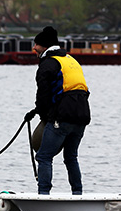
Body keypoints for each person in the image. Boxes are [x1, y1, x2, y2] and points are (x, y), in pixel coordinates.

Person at [24, 26, 91, 195]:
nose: (34, 48)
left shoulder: (47, 63)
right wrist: (37, 111)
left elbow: (44, 95)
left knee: (43, 156)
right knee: (71, 157)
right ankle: (78, 194)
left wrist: (44, 116)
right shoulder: (70, 60)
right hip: (82, 115)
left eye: (36, 45)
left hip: (62, 117)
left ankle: (43, 195)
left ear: (44, 46)